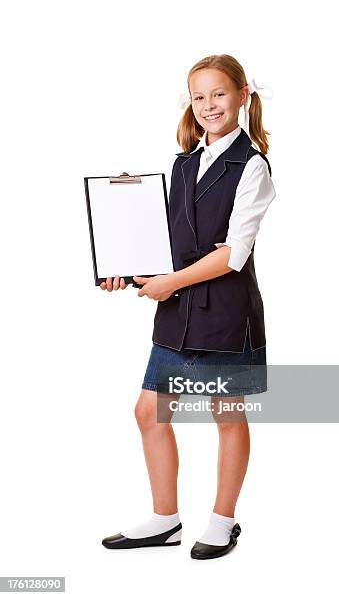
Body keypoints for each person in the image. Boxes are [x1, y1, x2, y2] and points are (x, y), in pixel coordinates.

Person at [100, 54, 276, 560]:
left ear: (243, 95)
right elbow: (169, 242)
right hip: (178, 310)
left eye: (218, 94)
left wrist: (167, 283)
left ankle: (223, 521)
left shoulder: (253, 166)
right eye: (198, 97)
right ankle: (164, 519)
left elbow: (232, 254)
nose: (208, 105)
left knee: (227, 415)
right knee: (149, 412)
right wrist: (128, 269)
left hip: (224, 311)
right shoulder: (182, 163)